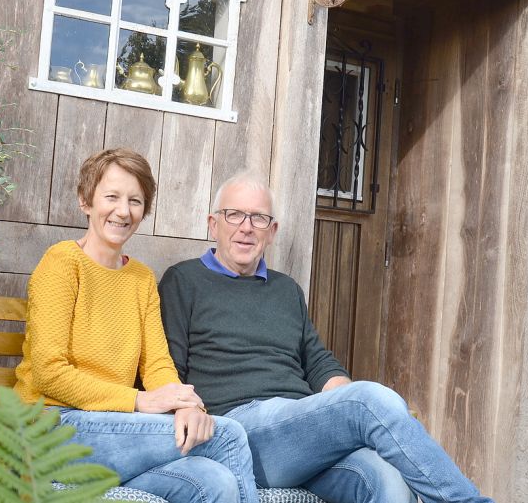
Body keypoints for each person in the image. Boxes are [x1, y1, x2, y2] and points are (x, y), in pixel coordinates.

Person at [158, 172, 495, 503]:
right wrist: (368, 408)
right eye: (234, 215)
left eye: (259, 218)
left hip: (302, 428)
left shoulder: (285, 289)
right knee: (370, 401)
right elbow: (166, 367)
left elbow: (319, 364)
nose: (246, 227)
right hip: (239, 429)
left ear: (272, 232)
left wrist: (376, 418)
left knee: (387, 477)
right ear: (213, 224)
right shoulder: (184, 281)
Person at [13, 149, 258, 503]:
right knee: (229, 435)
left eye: (135, 201)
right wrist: (140, 401)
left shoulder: (141, 278)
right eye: (111, 197)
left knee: (214, 481)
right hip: (52, 426)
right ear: (86, 201)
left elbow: (157, 364)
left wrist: (187, 405)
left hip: (115, 433)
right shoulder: (62, 263)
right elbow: (49, 373)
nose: (123, 211)